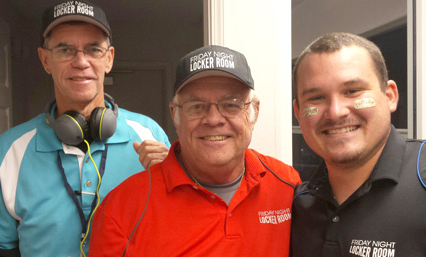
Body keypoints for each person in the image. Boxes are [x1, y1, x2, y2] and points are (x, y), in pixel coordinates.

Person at [0, 1, 170, 256]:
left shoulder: (149, 135)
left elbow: (180, 230)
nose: (81, 61)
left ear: (108, 59)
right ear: (45, 60)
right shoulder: (9, 152)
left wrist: (172, 182)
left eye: (93, 49)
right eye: (65, 50)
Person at [290, 32, 426, 256]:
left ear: (390, 96)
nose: (336, 112)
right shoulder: (299, 205)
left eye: (353, 91)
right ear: (298, 113)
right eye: (316, 98)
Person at [88, 45, 302, 256]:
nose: (214, 119)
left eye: (231, 104)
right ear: (175, 114)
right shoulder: (120, 211)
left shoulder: (287, 186)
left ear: (254, 111)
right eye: (197, 106)